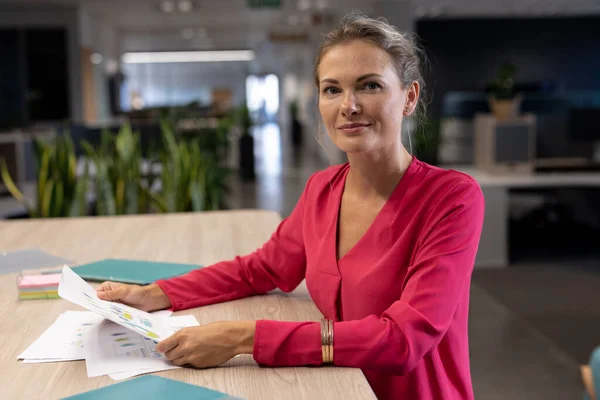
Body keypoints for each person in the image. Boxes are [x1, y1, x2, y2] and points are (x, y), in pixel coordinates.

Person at [96, 12, 484, 400]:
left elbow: (404, 339)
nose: (348, 105)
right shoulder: (321, 189)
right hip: (334, 387)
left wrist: (245, 337)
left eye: (369, 86)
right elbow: (261, 269)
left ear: (409, 97)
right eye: (332, 89)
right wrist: (158, 293)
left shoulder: (450, 199)